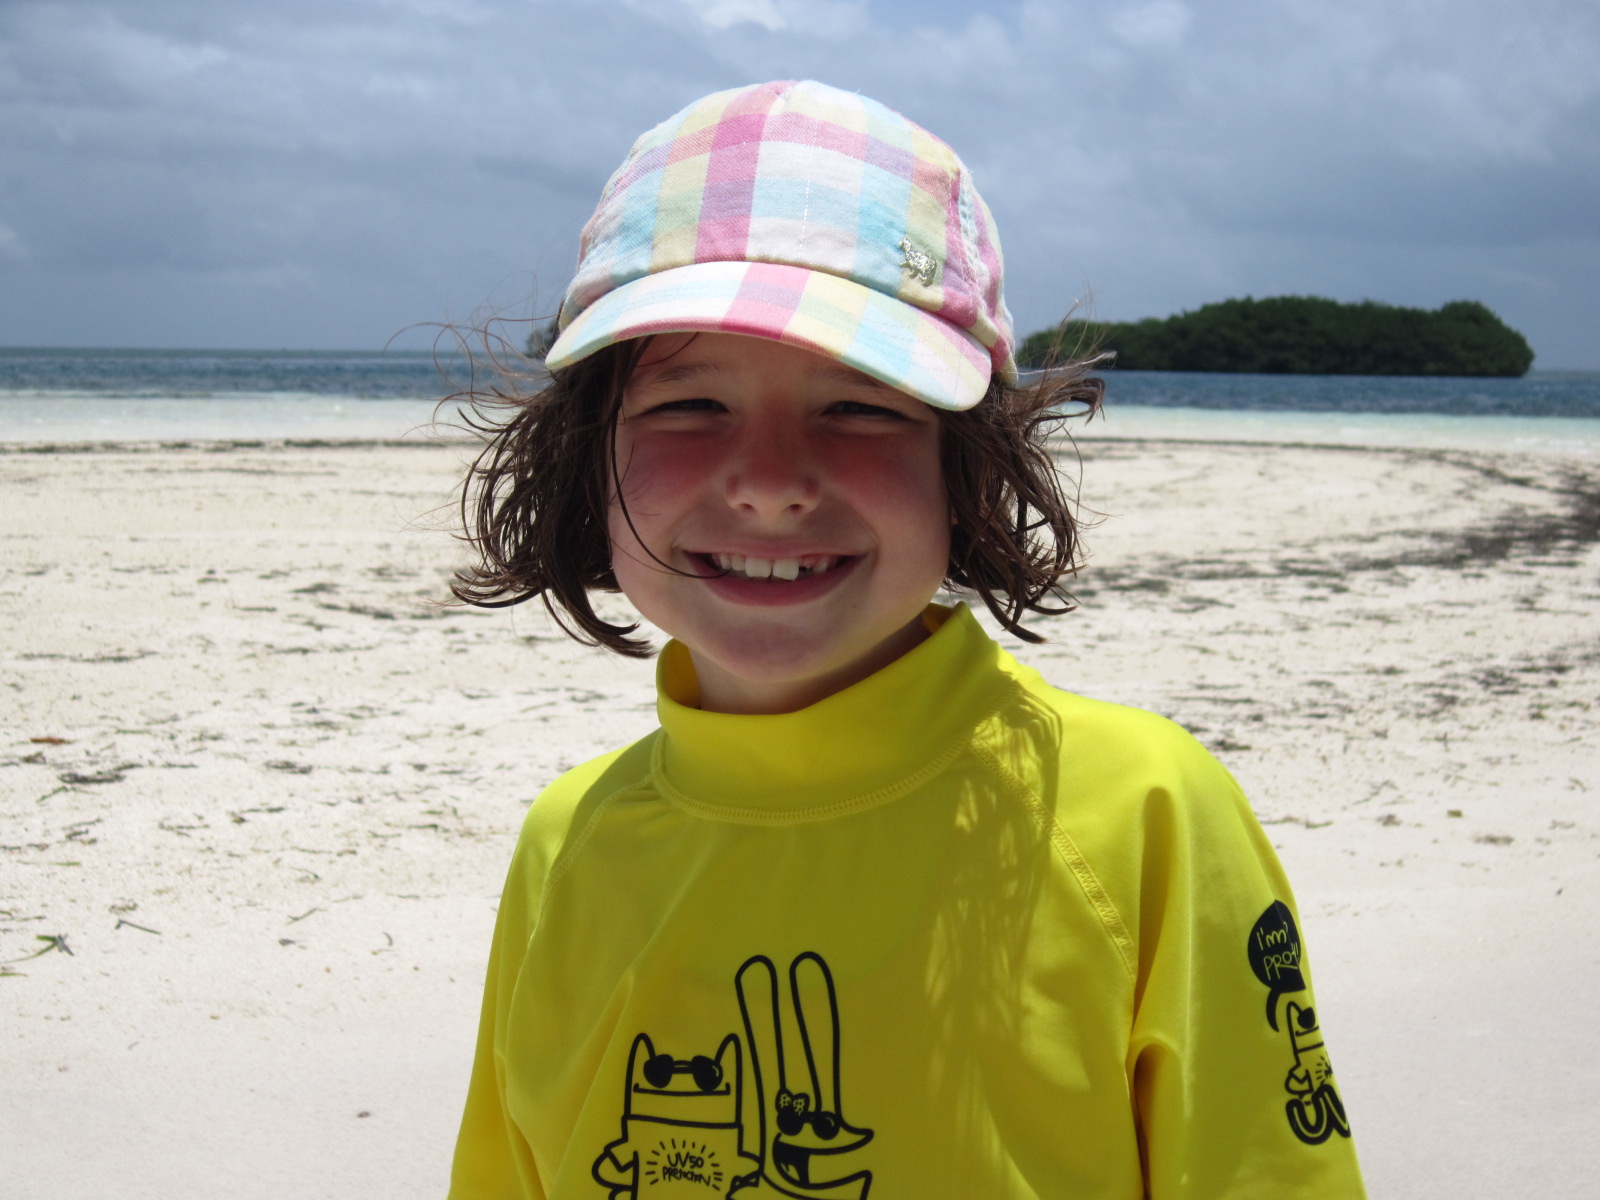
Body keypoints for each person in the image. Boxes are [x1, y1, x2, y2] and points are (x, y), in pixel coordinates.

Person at [445, 79, 1365, 1199]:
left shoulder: (1141, 816)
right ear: (585, 458)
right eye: (688, 405)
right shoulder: (566, 845)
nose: (772, 482)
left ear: (964, 471)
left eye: (861, 407)